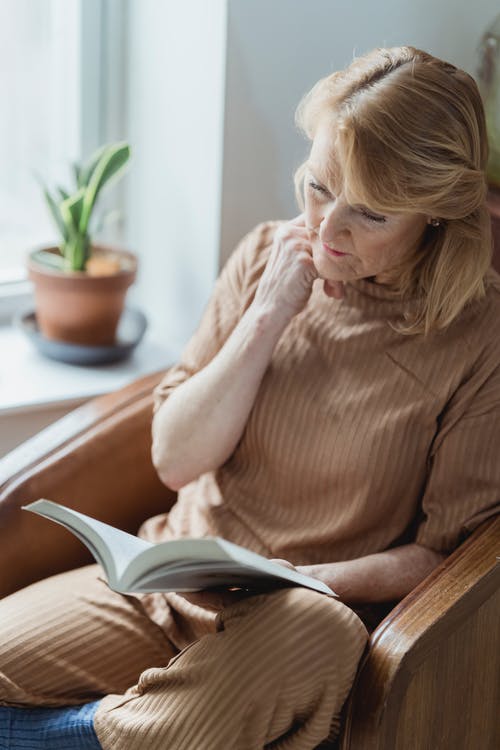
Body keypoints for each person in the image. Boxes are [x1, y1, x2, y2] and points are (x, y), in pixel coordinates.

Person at [1, 45, 499, 750]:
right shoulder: (268, 253)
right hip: (171, 582)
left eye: (371, 215)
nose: (327, 232)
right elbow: (176, 461)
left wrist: (305, 578)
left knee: (320, 636)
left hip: (300, 617)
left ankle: (57, 737)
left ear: (436, 215)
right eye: (318, 187)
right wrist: (267, 316)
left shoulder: (480, 335)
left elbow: (444, 558)